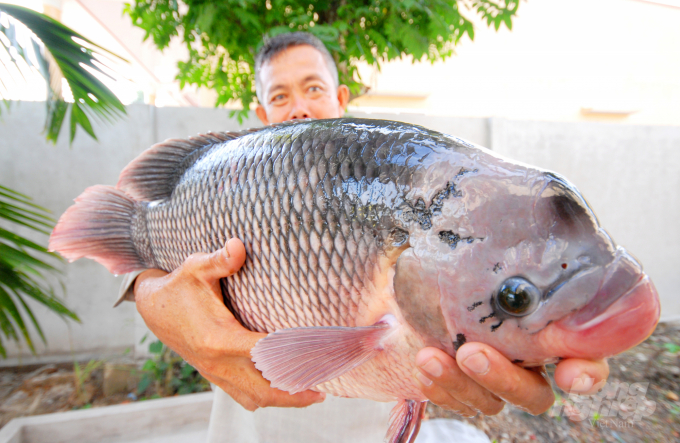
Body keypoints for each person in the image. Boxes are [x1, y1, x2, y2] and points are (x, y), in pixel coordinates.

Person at [118, 33, 610, 442]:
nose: (298, 108)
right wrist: (148, 294)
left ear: (341, 98)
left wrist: (550, 315)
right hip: (251, 427)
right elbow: (159, 277)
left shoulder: (401, 182)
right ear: (261, 112)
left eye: (312, 87)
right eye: (280, 95)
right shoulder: (229, 187)